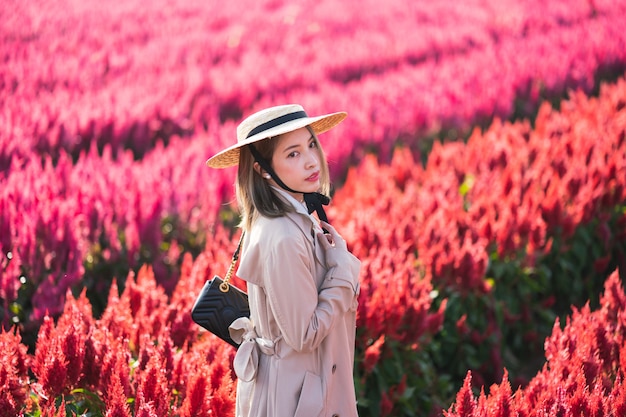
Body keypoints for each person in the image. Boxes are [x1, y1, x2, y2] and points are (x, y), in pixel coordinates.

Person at [206, 104, 362, 417]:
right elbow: (304, 334)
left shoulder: (290, 216)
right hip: (296, 400)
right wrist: (342, 272)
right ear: (262, 169)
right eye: (292, 154)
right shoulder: (284, 236)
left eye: (311, 144)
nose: (310, 160)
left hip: (300, 387)